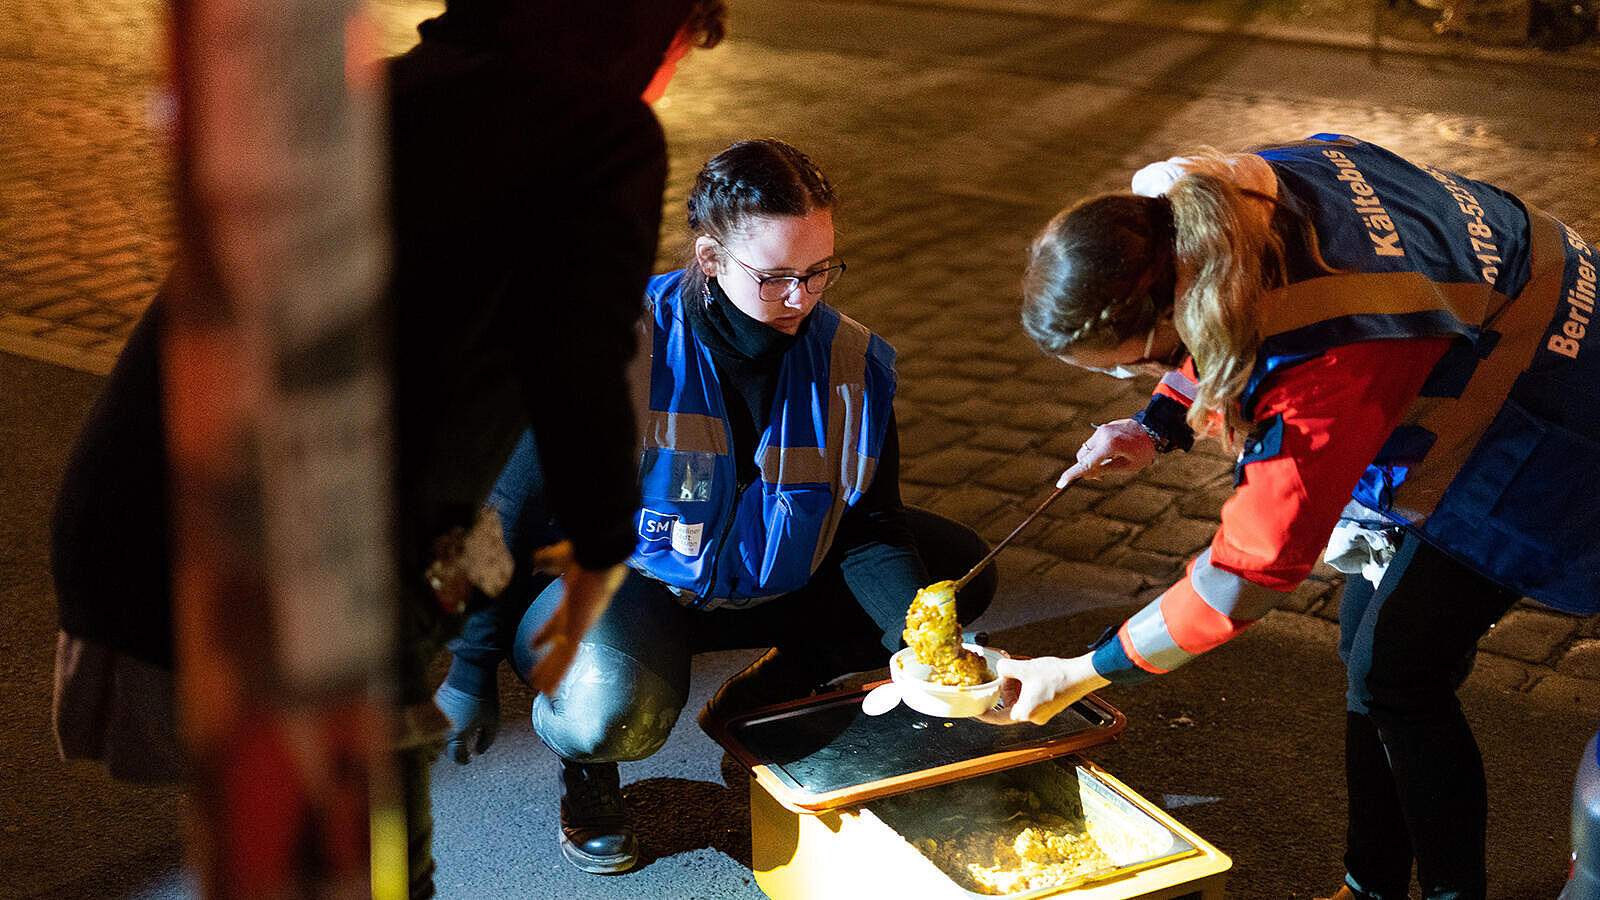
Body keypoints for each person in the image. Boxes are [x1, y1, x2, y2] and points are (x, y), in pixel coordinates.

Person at [48, 2, 725, 896]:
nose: (662, 83)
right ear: (640, 26)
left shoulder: (391, 90)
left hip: (143, 519)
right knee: (365, 873)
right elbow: (580, 370)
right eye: (672, 53)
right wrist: (602, 539)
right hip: (285, 568)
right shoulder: (592, 128)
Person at [1001, 132, 1600, 900]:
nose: (1141, 373)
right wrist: (1157, 420)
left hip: (1553, 415)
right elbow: (1217, 326)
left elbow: (1250, 570)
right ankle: (1372, 885)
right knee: (1371, 657)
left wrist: (1084, 671)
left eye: (1138, 361)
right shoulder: (1208, 210)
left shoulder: (1333, 353)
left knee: (1396, 670)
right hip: (1499, 335)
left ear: (1169, 310)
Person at [431, 138, 999, 875]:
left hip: (770, 576)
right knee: (609, 708)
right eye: (775, 277)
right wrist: (470, 668)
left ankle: (760, 705)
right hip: (632, 590)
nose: (802, 298)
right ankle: (589, 771)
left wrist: (925, 654)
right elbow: (502, 515)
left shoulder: (851, 362)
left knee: (955, 582)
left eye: (820, 271)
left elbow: (871, 529)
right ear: (709, 259)